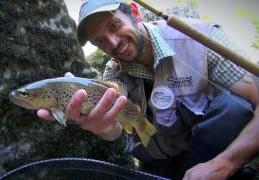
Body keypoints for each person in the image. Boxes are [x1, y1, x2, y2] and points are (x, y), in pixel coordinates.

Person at [38, 0, 259, 179]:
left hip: (212, 151)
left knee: (234, 107)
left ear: (135, 12)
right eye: (100, 41)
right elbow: (115, 128)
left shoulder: (202, 39)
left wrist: (226, 163)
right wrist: (102, 127)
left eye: (114, 26)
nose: (112, 43)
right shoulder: (112, 75)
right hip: (157, 165)